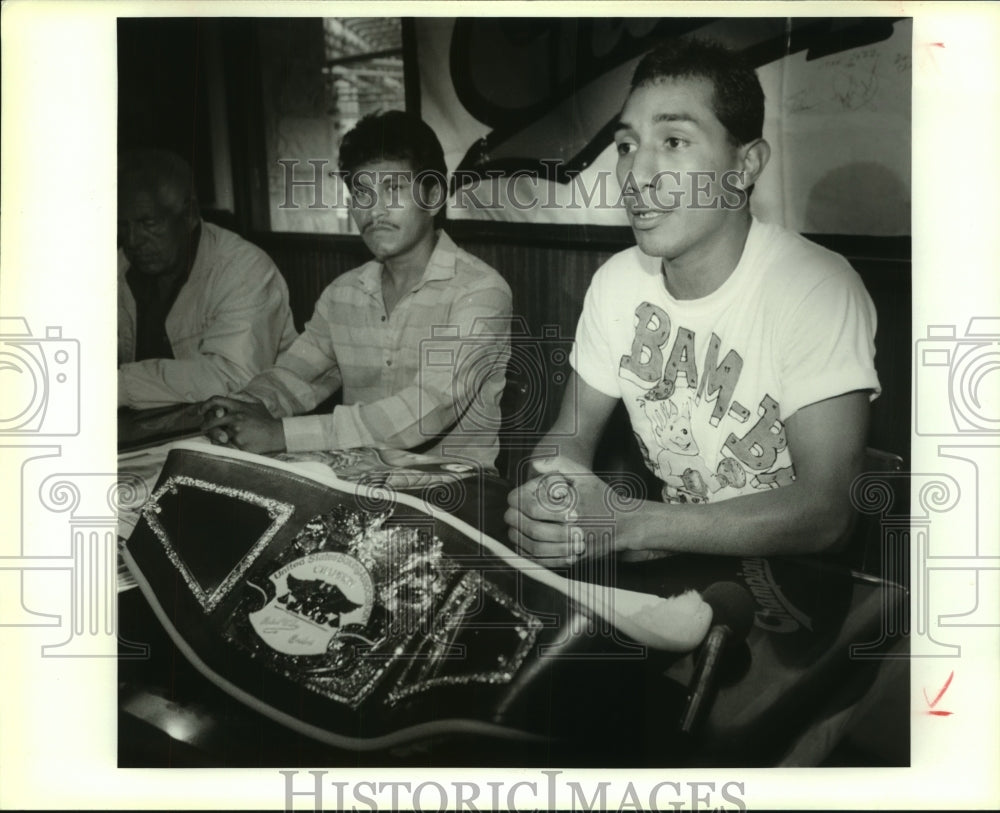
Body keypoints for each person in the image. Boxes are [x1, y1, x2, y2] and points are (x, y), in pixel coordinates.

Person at [506, 38, 880, 565]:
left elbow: (826, 515)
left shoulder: (816, 287)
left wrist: (630, 524)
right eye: (627, 145)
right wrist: (549, 497)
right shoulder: (616, 284)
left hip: (796, 594)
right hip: (676, 563)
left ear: (746, 165)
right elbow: (569, 439)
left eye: (675, 140)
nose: (636, 174)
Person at [200, 111, 512, 472]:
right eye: (361, 193)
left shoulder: (480, 291)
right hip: (358, 484)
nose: (374, 210)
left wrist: (282, 434)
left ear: (434, 196)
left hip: (457, 494)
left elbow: (431, 406)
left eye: (393, 189)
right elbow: (296, 377)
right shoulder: (343, 294)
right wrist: (240, 409)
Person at [118, 149, 297, 409]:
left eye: (149, 223)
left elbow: (232, 378)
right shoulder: (116, 268)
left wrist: (117, 385)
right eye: (123, 226)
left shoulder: (244, 268)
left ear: (189, 215)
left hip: (249, 431)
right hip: (154, 435)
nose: (133, 240)